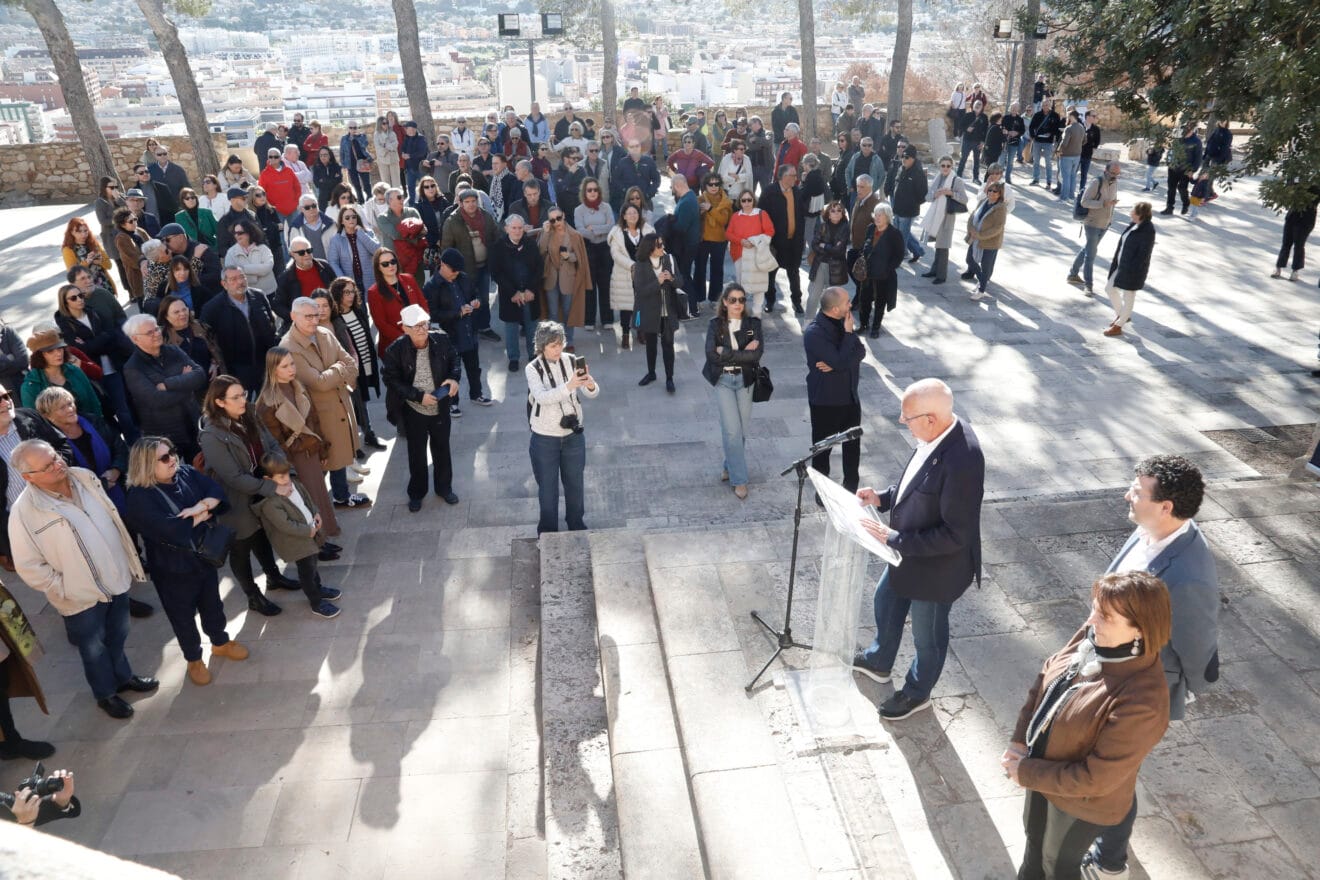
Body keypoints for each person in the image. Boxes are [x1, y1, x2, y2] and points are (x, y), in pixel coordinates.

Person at [1004, 571, 1171, 879]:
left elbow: (1095, 778)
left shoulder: (1143, 700)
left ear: (1140, 630)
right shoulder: (1095, 635)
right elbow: (1046, 676)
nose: (1092, 619)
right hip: (1042, 772)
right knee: (1033, 845)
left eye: (1106, 615)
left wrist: (1026, 772)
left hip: (1079, 803)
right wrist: (1019, 741)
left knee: (1057, 866)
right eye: (1094, 607)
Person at [853, 378, 985, 720]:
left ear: (931, 419)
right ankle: (880, 661)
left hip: (937, 568)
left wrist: (892, 538)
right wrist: (882, 497)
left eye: (907, 417)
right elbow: (917, 483)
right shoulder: (932, 433)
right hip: (908, 551)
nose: (902, 422)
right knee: (885, 600)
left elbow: (956, 535)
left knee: (928, 636)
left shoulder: (963, 460)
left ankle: (917, 693)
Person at [8, 439, 156, 719]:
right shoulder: (24, 512)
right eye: (48, 465)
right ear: (29, 477)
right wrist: (65, 589)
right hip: (79, 597)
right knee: (93, 648)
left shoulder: (85, 477)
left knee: (118, 634)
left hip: (115, 580)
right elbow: (28, 566)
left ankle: (124, 677)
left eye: (55, 457)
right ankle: (106, 694)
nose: (58, 465)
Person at [123, 437, 249, 687]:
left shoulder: (187, 473)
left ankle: (220, 642)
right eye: (164, 457)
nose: (173, 459)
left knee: (212, 603)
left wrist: (200, 507)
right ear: (146, 464)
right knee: (182, 616)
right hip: (172, 568)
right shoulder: (139, 497)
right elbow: (170, 530)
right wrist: (202, 515)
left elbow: (217, 493)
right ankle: (193, 659)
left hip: (203, 558)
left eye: (172, 452)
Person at [197, 376, 302, 617]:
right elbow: (233, 477)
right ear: (220, 402)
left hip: (260, 490)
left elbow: (271, 443)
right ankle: (252, 596)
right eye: (236, 397)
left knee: (261, 537)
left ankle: (273, 577)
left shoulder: (250, 414)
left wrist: (278, 469)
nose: (243, 400)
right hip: (235, 502)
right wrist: (273, 488)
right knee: (241, 548)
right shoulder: (212, 435)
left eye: (243, 393)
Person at [281, 298, 368, 509]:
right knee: (323, 463)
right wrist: (339, 369)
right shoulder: (288, 346)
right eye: (307, 316)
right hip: (318, 415)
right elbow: (319, 383)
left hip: (340, 404)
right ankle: (315, 508)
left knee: (339, 456)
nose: (313, 320)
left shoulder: (325, 333)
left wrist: (336, 371)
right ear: (293, 316)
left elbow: (352, 364)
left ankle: (341, 496)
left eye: (316, 315)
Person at [380, 304, 461, 512]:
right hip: (413, 409)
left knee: (442, 449)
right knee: (416, 453)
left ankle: (444, 488)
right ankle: (416, 493)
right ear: (404, 328)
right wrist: (417, 397)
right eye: (415, 326)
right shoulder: (395, 350)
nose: (422, 330)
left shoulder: (441, 339)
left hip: (440, 407)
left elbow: (454, 359)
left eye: (424, 324)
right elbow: (391, 379)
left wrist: (453, 378)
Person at [526, 321, 599, 534]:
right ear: (541, 347)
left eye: (560, 344)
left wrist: (590, 384)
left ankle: (576, 524)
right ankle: (547, 532)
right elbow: (542, 397)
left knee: (575, 485)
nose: (557, 349)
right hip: (544, 438)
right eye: (552, 345)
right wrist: (570, 386)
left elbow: (592, 393)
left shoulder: (571, 361)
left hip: (573, 435)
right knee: (547, 491)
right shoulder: (532, 368)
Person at [252, 454, 342, 618]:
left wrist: (316, 513)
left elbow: (307, 499)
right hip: (296, 542)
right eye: (281, 477)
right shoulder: (270, 503)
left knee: (313, 565)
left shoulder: (294, 484)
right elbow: (286, 525)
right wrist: (308, 531)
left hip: (309, 534)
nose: (287, 479)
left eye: (287, 474)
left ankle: (319, 588)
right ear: (268, 479)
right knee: (306, 572)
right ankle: (316, 602)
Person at [52, 282, 137, 440]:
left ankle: (134, 441)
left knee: (123, 408)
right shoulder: (65, 326)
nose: (80, 299)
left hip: (112, 368)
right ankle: (117, 442)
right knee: (104, 411)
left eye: (81, 295)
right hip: (89, 374)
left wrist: (91, 344)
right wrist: (99, 341)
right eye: (74, 297)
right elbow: (79, 350)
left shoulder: (94, 313)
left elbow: (111, 335)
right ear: (65, 303)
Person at [702, 283, 763, 500]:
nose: (738, 304)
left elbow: (755, 356)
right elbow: (711, 355)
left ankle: (729, 464)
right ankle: (740, 480)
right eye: (733, 300)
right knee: (732, 431)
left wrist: (726, 352)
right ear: (725, 302)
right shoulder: (715, 325)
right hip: (723, 381)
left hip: (745, 380)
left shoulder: (753, 324)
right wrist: (741, 352)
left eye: (742, 300)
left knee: (741, 430)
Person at [121, 314, 207, 462]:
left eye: (156, 329)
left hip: (192, 422)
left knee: (202, 467)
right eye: (149, 332)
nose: (156, 334)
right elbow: (156, 400)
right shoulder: (133, 367)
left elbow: (199, 375)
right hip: (166, 433)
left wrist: (168, 384)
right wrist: (186, 384)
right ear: (135, 339)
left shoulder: (173, 351)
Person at [804, 287, 865, 493]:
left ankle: (851, 491)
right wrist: (847, 339)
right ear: (835, 308)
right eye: (848, 302)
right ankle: (824, 494)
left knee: (853, 449)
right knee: (822, 451)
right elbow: (843, 358)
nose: (851, 305)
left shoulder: (843, 321)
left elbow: (861, 351)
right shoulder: (814, 333)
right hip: (826, 402)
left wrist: (838, 363)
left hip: (850, 398)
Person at [423, 251, 491, 413]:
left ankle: (476, 394)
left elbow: (476, 294)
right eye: (453, 270)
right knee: (451, 371)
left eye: (458, 270)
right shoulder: (431, 286)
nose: (456, 273)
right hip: (450, 336)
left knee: (474, 367)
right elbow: (432, 314)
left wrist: (476, 302)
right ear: (443, 265)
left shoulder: (464, 278)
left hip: (469, 332)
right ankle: (452, 402)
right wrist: (458, 312)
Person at [440, 189, 500, 340]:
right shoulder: (452, 221)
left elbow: (496, 236)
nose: (471, 205)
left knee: (484, 300)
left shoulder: (485, 216)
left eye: (473, 201)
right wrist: (452, 270)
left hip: (484, 267)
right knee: (467, 301)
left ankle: (484, 328)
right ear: (460, 203)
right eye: (467, 202)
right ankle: (469, 331)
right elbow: (446, 249)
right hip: (464, 271)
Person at [632, 233, 685, 393]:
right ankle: (651, 373)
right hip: (649, 311)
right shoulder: (640, 264)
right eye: (659, 245)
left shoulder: (669, 260)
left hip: (668, 311)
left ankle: (670, 378)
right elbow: (640, 291)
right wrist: (658, 282)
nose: (662, 247)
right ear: (650, 249)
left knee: (668, 345)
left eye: (662, 243)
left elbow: (681, 282)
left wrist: (672, 279)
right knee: (651, 345)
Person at [492, 215, 544, 371]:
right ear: (506, 228)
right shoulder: (498, 247)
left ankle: (533, 356)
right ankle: (513, 358)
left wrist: (530, 290)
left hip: (529, 294)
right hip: (510, 296)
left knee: (531, 326)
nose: (517, 231)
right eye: (513, 228)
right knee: (511, 328)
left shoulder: (531, 244)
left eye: (520, 228)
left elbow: (538, 269)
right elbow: (496, 273)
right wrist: (513, 293)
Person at [538, 207, 590, 351]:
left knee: (568, 311)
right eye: (552, 220)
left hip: (568, 277)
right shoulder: (547, 232)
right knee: (553, 312)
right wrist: (546, 233)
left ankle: (570, 340)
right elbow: (540, 250)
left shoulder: (574, 234)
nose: (556, 222)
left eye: (558, 218)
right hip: (551, 276)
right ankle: (555, 340)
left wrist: (569, 257)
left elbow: (580, 257)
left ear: (564, 215)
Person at [1067, 161, 1122, 296]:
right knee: (1090, 255)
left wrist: (1110, 217)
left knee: (1087, 250)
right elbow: (1084, 202)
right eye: (1112, 173)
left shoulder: (1115, 183)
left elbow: (1111, 203)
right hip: (1092, 223)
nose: (1115, 176)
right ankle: (1088, 285)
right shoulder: (1096, 182)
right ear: (1106, 170)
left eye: (1117, 173)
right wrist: (1103, 203)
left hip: (1105, 224)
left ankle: (1072, 274)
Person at [20, 328, 101, 419]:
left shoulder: (75, 371)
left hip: (91, 426)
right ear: (38, 356)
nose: (58, 353)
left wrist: (99, 425)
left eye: (60, 348)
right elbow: (35, 421)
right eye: (50, 351)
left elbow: (94, 402)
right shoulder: (30, 386)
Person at [1103, 202, 1157, 337]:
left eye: (1132, 210)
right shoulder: (1133, 224)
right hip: (1121, 265)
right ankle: (1123, 315)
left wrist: (1133, 269)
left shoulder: (1148, 230)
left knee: (1129, 296)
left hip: (1133, 270)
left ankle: (1118, 326)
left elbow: (1143, 254)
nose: (1130, 212)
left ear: (1139, 214)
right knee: (1109, 288)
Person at [760, 164, 807, 314]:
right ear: (784, 177)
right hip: (775, 243)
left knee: (794, 273)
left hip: (794, 242)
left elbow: (802, 214)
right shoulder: (769, 192)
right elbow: (761, 215)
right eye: (793, 175)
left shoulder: (797, 192)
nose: (796, 178)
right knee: (771, 274)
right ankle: (770, 301)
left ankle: (797, 302)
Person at [606, 204, 653, 351]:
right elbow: (616, 254)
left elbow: (656, 250)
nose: (633, 215)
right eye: (629, 213)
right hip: (624, 274)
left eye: (635, 213)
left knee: (640, 307)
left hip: (644, 274)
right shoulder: (617, 233)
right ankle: (625, 334)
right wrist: (632, 265)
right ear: (624, 216)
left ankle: (640, 330)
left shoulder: (647, 231)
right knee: (626, 308)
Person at [920, 156, 969, 284]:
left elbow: (964, 199)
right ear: (939, 166)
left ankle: (941, 276)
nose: (945, 168)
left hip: (947, 217)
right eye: (943, 165)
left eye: (948, 166)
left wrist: (950, 193)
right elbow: (928, 197)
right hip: (935, 216)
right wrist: (935, 194)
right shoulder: (938, 178)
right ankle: (934, 270)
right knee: (938, 246)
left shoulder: (957, 180)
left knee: (943, 246)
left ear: (952, 167)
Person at [725, 190, 775, 315]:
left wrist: (754, 241)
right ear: (740, 202)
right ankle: (742, 312)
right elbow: (728, 234)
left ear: (753, 200)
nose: (746, 203)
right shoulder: (735, 216)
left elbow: (770, 231)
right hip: (740, 255)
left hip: (757, 255)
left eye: (749, 200)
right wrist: (741, 241)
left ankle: (757, 313)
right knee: (741, 286)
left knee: (759, 286)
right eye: (743, 200)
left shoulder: (761, 214)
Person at [574, 177, 615, 330]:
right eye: (589, 190)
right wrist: (598, 230)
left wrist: (593, 229)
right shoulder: (578, 210)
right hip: (588, 249)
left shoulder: (606, 207)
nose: (592, 192)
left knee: (605, 285)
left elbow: (611, 227)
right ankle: (589, 320)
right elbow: (580, 231)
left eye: (595, 189)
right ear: (584, 192)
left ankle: (607, 319)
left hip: (605, 249)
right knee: (589, 286)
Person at [859, 203, 905, 335]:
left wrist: (888, 268)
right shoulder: (870, 228)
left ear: (888, 217)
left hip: (883, 275)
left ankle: (875, 327)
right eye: (876, 215)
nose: (877, 218)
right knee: (864, 299)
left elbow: (899, 255)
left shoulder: (894, 234)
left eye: (881, 215)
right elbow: (864, 246)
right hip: (867, 272)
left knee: (880, 302)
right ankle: (863, 324)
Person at [961, 181, 1008, 301]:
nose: (991, 193)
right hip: (975, 238)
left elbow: (998, 227)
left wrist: (981, 235)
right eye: (990, 190)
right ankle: (983, 280)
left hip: (990, 242)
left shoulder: (1001, 208)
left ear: (999, 194)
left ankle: (981, 289)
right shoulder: (983, 202)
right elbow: (972, 216)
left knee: (986, 266)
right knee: (969, 260)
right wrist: (971, 230)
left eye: (995, 191)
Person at [161, 294, 224, 382]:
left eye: (184, 309)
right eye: (176, 312)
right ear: (166, 316)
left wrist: (215, 363)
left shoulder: (202, 327)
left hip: (211, 385)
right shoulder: (162, 338)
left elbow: (217, 350)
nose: (182, 314)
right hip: (185, 390)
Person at [695, 173, 734, 309]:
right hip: (703, 239)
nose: (713, 187)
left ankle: (715, 298)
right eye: (710, 184)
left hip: (720, 239)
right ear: (705, 186)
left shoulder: (726, 201)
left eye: (716, 184)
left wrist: (710, 209)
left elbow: (723, 220)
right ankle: (698, 298)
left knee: (717, 269)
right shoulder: (699, 200)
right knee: (699, 268)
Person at [886, 147, 929, 263]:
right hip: (897, 208)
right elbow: (896, 184)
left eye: (907, 157)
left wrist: (912, 204)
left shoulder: (918, 173)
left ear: (913, 159)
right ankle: (918, 251)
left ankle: (897, 259)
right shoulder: (901, 169)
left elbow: (923, 194)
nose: (904, 159)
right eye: (903, 157)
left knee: (901, 237)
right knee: (901, 233)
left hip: (908, 211)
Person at [808, 200, 850, 313]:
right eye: (833, 211)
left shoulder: (845, 228)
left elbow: (839, 251)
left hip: (837, 267)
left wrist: (824, 246)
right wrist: (831, 248)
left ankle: (830, 322)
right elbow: (814, 245)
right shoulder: (822, 226)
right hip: (820, 264)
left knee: (833, 300)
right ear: (828, 213)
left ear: (842, 213)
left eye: (839, 210)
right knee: (813, 295)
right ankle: (808, 320)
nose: (836, 213)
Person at [61, 219, 117, 296]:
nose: (83, 234)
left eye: (85, 231)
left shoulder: (93, 244)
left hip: (105, 285)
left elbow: (109, 266)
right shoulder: (68, 249)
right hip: (86, 289)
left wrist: (100, 261)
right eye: (79, 231)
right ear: (71, 232)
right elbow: (72, 274)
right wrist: (86, 262)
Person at [222, 218, 277, 294]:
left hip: (269, 292)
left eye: (240, 233)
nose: (236, 235)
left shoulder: (263, 248)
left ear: (250, 233)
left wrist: (243, 268)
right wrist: (256, 274)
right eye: (235, 233)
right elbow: (230, 273)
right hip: (247, 294)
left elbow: (267, 267)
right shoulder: (231, 252)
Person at [1273, 191, 1319, 281]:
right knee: (1286, 243)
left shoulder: (1316, 183)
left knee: (1299, 245)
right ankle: (1278, 267)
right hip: (1292, 215)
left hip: (1306, 218)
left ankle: (1295, 271)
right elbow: (1289, 189)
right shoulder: (1297, 178)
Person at [609, 139, 661, 213]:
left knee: (646, 223)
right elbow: (615, 180)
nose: (635, 148)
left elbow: (657, 180)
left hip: (645, 200)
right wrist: (625, 191)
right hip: (627, 201)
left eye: (637, 146)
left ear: (640, 147)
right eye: (632, 146)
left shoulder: (649, 161)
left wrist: (649, 193)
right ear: (628, 148)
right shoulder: (622, 162)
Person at [1161, 123, 1201, 216]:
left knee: (1182, 188)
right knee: (1171, 188)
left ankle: (1186, 204)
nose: (1184, 132)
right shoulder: (1178, 138)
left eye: (1187, 130)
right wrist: (1168, 162)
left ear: (1192, 129)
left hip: (1186, 169)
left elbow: (1198, 158)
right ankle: (1169, 207)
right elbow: (1171, 151)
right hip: (1173, 167)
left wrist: (1193, 170)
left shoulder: (1196, 141)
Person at [112, 207, 149, 303]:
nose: (135, 222)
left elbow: (151, 243)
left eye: (135, 219)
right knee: (144, 305)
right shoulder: (121, 238)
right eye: (131, 221)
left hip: (151, 272)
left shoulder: (140, 231)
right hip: (137, 276)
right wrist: (142, 261)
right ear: (123, 225)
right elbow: (130, 256)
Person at [258, 148, 302, 221]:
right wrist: (270, 206)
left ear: (280, 158)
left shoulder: (289, 171)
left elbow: (297, 187)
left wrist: (296, 202)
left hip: (293, 209)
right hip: (276, 211)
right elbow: (261, 192)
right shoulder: (264, 174)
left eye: (276, 156)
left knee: (295, 231)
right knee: (281, 232)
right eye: (270, 157)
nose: (273, 159)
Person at [1029, 99, 1063, 190]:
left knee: (1048, 163)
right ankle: (1036, 179)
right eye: (1044, 105)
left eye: (1047, 105)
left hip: (1048, 142)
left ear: (1050, 106)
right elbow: (1031, 127)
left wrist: (1050, 133)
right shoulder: (1037, 115)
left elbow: (1057, 128)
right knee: (1036, 161)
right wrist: (1032, 136)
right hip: (1037, 141)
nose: (1045, 107)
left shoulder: (1055, 116)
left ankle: (1048, 182)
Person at [1057, 110, 1086, 203]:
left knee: (1065, 177)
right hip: (1077, 155)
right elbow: (1085, 140)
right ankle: (1071, 197)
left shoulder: (1069, 128)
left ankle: (1063, 198)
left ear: (1071, 116)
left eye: (1068, 116)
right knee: (1073, 177)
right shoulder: (1081, 127)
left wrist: (1058, 150)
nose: (1067, 118)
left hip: (1066, 155)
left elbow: (1064, 142)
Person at [957, 101, 990, 183]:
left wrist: (983, 142)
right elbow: (960, 126)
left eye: (980, 104)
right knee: (963, 159)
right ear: (973, 106)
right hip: (967, 141)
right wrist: (966, 129)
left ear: (982, 107)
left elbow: (986, 130)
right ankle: (958, 176)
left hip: (978, 142)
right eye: (977, 104)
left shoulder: (984, 117)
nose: (978, 106)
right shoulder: (968, 115)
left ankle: (975, 178)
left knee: (976, 161)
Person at [373, 116, 402, 189]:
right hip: (382, 159)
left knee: (396, 180)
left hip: (394, 159)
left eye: (387, 123)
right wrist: (388, 148)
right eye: (384, 123)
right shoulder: (376, 134)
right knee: (385, 181)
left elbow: (396, 144)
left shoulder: (392, 133)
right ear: (380, 124)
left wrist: (385, 145)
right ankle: (387, 197)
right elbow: (378, 148)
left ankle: (397, 195)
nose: (386, 125)